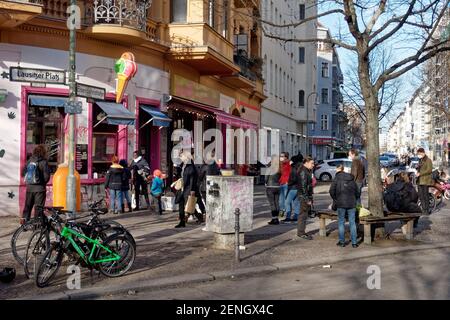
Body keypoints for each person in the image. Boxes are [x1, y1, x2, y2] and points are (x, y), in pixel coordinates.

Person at [330, 165, 360, 248]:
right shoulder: (351, 179)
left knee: (341, 222)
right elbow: (357, 192)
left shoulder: (336, 178)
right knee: (352, 222)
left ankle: (342, 241)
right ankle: (354, 243)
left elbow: (331, 191)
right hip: (352, 203)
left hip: (341, 203)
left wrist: (336, 199)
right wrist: (354, 198)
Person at [22, 145, 50, 223]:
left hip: (29, 188)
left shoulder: (29, 161)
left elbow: (23, 173)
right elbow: (46, 177)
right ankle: (37, 225)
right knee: (38, 208)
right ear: (43, 152)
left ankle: (23, 224)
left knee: (27, 207)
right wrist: (41, 183)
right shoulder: (44, 162)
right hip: (40, 189)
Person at [175, 151, 204, 228]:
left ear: (186, 157)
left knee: (189, 205)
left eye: (181, 156)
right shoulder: (183, 165)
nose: (180, 158)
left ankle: (199, 216)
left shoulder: (191, 166)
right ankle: (182, 222)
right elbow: (181, 175)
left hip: (188, 188)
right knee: (181, 204)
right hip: (182, 188)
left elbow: (193, 179)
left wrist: (192, 190)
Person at [296, 157, 315, 240]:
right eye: (312, 163)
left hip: (305, 196)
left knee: (304, 214)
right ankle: (301, 232)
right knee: (303, 215)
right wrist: (307, 199)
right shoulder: (303, 171)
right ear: (306, 162)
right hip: (304, 196)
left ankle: (301, 231)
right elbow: (303, 187)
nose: (313, 165)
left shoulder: (306, 171)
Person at [282, 158, 301, 223]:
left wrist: (288, 183)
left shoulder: (293, 169)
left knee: (287, 202)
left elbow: (293, 179)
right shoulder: (298, 168)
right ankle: (296, 217)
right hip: (297, 188)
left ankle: (288, 217)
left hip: (292, 188)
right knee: (296, 203)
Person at [416, 148, 433, 214]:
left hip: (425, 180)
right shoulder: (420, 160)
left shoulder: (428, 160)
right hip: (419, 180)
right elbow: (420, 168)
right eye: (418, 154)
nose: (418, 155)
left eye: (419, 154)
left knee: (425, 195)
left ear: (423, 153)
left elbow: (429, 170)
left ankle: (427, 210)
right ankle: (423, 209)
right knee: (421, 195)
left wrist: (420, 173)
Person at [266, 155, 281, 225]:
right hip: (278, 187)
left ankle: (274, 219)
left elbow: (266, 177)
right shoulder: (280, 168)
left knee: (272, 203)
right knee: (277, 202)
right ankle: (276, 218)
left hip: (270, 186)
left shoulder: (270, 167)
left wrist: (265, 183)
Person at [278, 152, 291, 217]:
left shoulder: (289, 163)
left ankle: (288, 213)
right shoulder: (280, 164)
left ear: (286, 157)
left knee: (287, 199)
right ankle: (282, 211)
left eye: (282, 156)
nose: (281, 157)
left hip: (287, 183)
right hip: (281, 182)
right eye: (280, 156)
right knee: (281, 199)